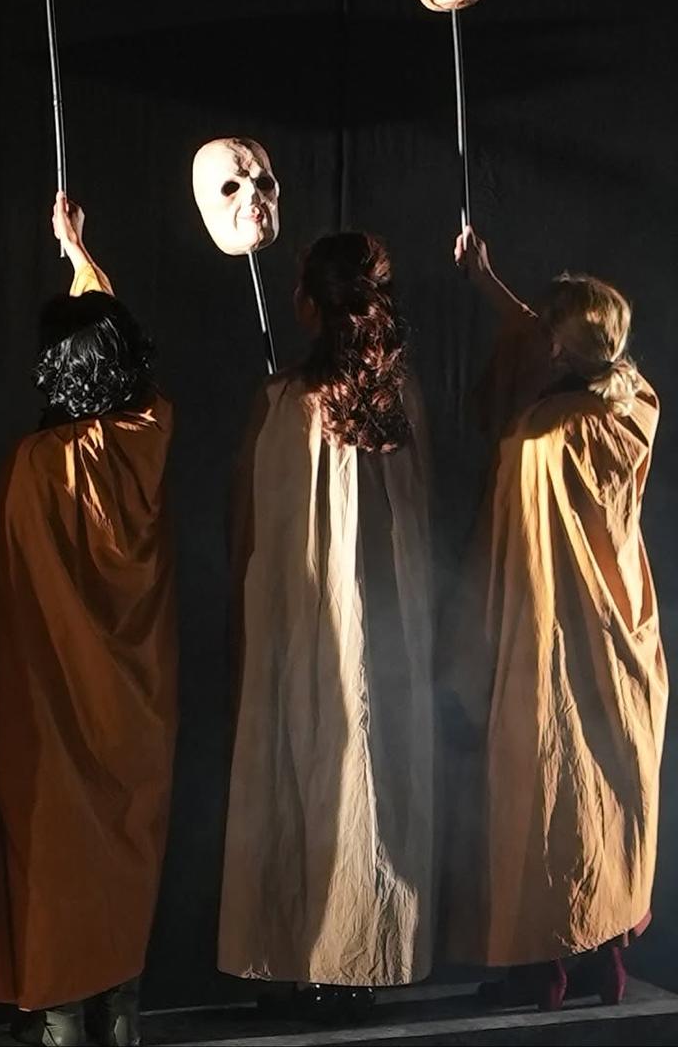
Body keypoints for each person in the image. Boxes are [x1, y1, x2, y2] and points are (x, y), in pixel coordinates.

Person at [0, 194, 178, 1047]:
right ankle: (120, 1022)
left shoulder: (35, 465)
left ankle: (62, 1026)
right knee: (126, 858)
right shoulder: (149, 434)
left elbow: (5, 599)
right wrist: (82, 256)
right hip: (136, 717)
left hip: (48, 717)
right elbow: (116, 338)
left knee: (54, 868)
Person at [444, 227, 667, 1009]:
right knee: (607, 793)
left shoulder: (543, 434)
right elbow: (561, 342)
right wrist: (487, 280)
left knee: (548, 789)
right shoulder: (636, 402)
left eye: (549, 331)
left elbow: (512, 537)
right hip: (622, 634)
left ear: (564, 350)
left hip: (553, 636)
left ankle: (542, 970)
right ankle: (605, 960)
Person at [218, 233, 434, 1020]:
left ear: (309, 304)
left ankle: (309, 954)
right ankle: (356, 956)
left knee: (306, 766)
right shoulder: (398, 399)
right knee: (364, 771)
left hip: (301, 627)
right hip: (380, 631)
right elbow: (421, 514)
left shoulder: (283, 404)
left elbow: (250, 526)